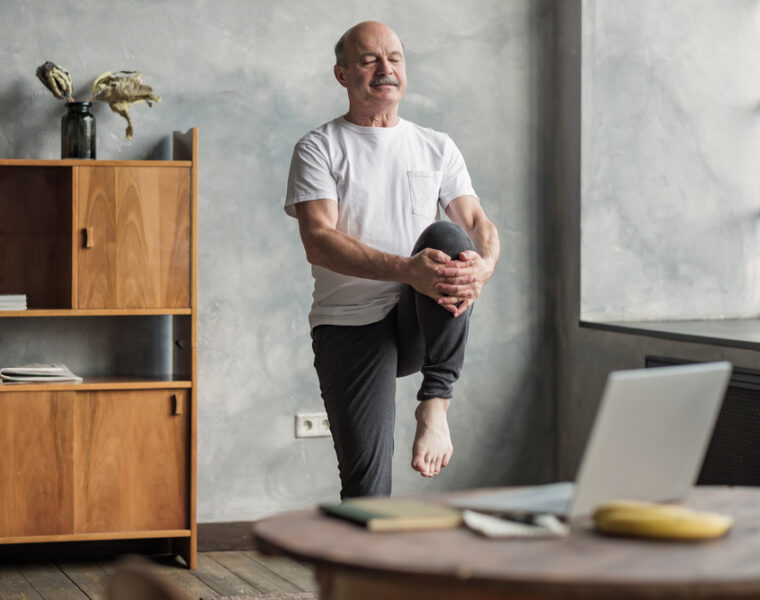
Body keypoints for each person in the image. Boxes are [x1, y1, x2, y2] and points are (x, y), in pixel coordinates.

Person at [284, 21, 500, 499]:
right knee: (365, 489)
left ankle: (436, 403)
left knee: (449, 236)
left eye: (395, 58)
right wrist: (407, 270)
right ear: (342, 75)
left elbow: (477, 222)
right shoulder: (319, 147)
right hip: (349, 323)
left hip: (418, 318)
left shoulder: (436, 145)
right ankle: (363, 549)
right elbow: (319, 241)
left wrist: (484, 266)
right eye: (369, 60)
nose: (386, 69)